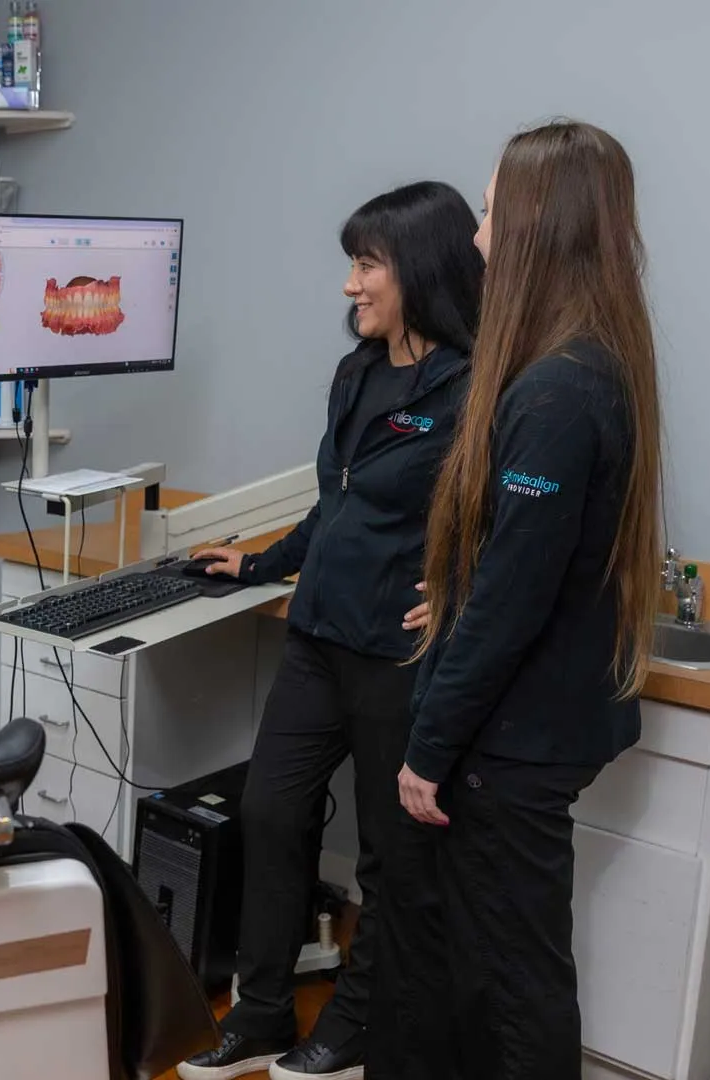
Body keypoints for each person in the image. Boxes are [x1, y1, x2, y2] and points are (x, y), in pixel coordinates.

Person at [372, 120, 664, 1080]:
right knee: (489, 969)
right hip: (536, 723)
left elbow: (516, 598)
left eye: (492, 210)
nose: (477, 234)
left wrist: (429, 748)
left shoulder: (556, 393)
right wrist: (461, 588)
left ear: (539, 225)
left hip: (514, 742)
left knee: (512, 984)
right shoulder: (591, 362)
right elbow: (526, 563)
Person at [176, 180, 484, 1080]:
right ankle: (261, 1013)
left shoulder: (473, 388)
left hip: (400, 652)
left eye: (366, 264)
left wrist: (464, 589)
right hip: (318, 635)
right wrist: (263, 564)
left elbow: (496, 517)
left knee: (391, 854)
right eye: (351, 264)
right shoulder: (357, 372)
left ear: (418, 269)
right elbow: (335, 501)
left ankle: (353, 1027)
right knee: (270, 813)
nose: (350, 285)